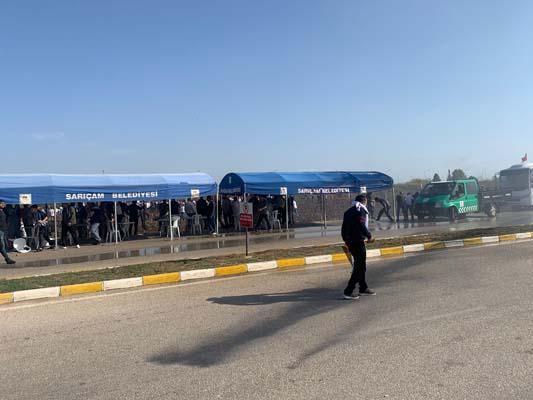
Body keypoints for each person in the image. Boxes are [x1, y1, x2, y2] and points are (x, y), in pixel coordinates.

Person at [341, 195, 375, 299]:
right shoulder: (361, 210)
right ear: (364, 201)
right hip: (358, 241)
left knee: (361, 265)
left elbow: (343, 227)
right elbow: (361, 224)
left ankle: (363, 287)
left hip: (350, 241)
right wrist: (369, 236)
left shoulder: (348, 211)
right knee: (359, 267)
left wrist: (345, 240)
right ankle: (348, 291)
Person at [0, 200, 16, 265]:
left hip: (3, 230)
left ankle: (7, 259)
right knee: (1, 246)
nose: (4, 204)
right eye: (2, 203)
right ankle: (7, 259)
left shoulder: (2, 211)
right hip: (0, 230)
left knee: (1, 246)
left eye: (4, 203)